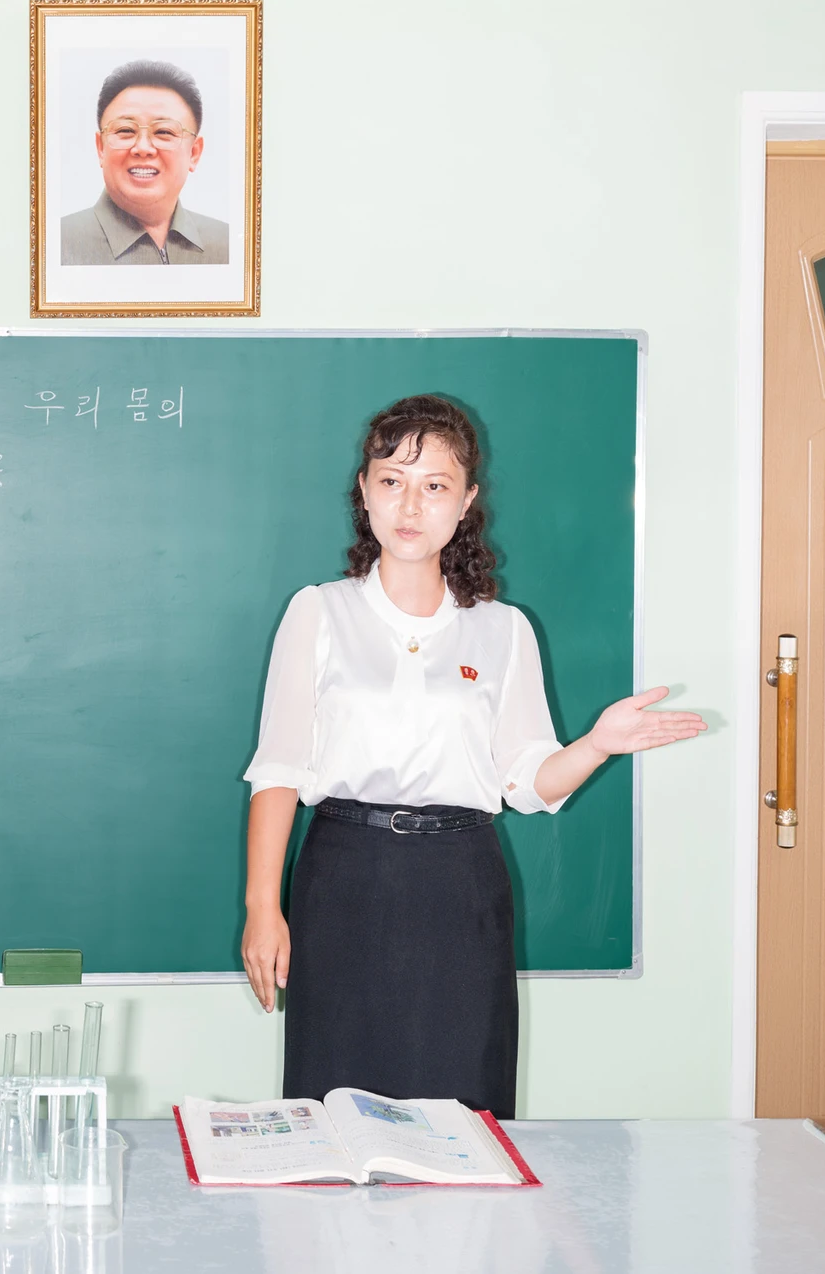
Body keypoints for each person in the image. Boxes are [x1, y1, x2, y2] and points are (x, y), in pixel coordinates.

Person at [239, 395, 704, 1120]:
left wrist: (595, 746)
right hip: (343, 882)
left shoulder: (502, 629)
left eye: (435, 485)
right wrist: (262, 907)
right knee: (334, 1122)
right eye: (392, 479)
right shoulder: (319, 613)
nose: (410, 504)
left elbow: (527, 779)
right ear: (363, 491)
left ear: (466, 502)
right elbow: (278, 771)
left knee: (466, 1120)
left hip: (459, 890)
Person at [59, 60, 228, 266]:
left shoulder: (227, 247)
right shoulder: (56, 245)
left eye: (164, 132)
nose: (143, 148)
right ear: (101, 148)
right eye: (125, 130)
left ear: (194, 153)